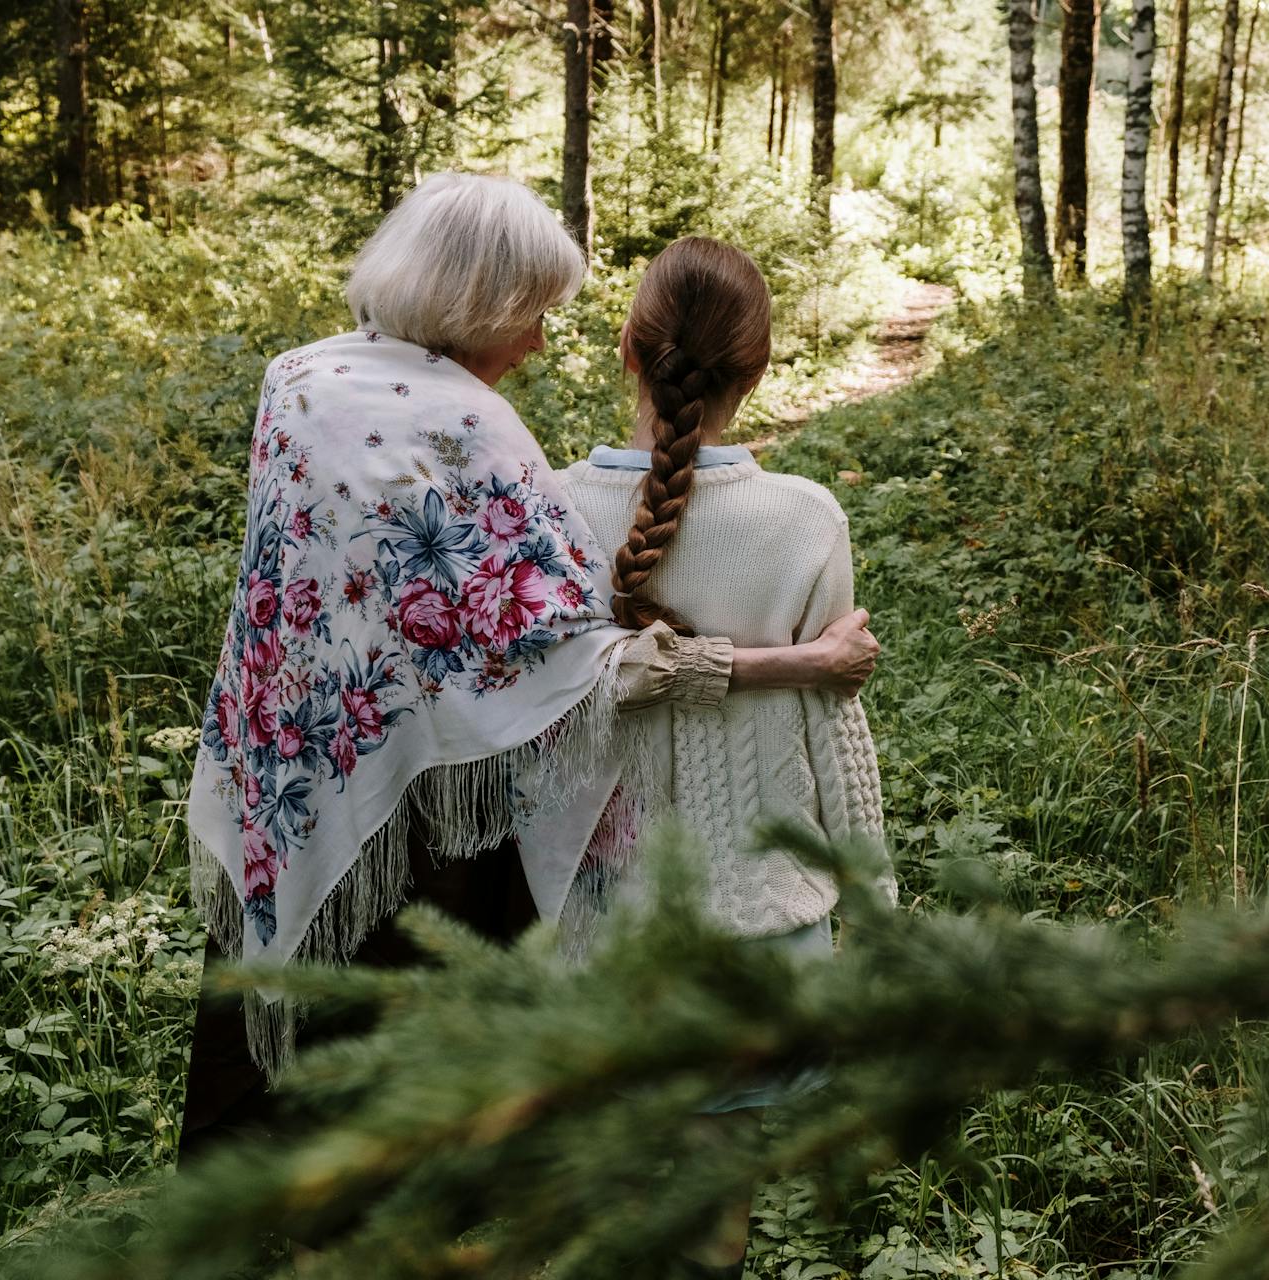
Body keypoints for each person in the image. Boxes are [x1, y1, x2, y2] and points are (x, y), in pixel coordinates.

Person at [176, 176, 880, 1173]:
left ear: (638, 350)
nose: (543, 342)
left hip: (307, 777)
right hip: (436, 819)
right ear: (474, 304)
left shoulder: (298, 382)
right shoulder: (482, 434)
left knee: (315, 1098)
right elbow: (576, 666)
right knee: (404, 1109)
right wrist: (802, 663)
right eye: (535, 313)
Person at [558, 236, 893, 1278]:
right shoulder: (804, 519)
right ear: (759, 368)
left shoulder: (551, 507)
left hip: (588, 927)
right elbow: (834, 722)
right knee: (716, 1211)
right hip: (758, 925)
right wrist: (875, 907)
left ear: (627, 347)